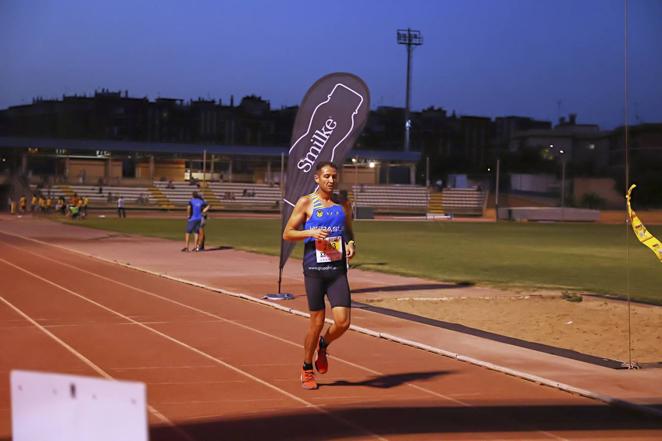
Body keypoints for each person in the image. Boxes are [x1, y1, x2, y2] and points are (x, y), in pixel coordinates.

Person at [282, 161, 356, 390]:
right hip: (314, 271)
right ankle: (306, 368)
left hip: (336, 271)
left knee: (343, 322)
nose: (331, 180)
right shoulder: (306, 202)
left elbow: (349, 231)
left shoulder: (343, 205)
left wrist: (351, 243)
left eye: (334, 176)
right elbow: (287, 233)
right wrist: (310, 232)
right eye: (326, 176)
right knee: (316, 322)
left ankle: (323, 345)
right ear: (317, 178)